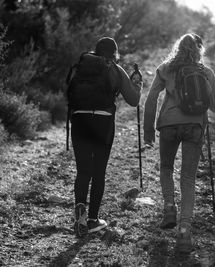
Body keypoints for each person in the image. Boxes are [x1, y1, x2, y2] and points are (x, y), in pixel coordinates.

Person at [143, 33, 215, 252]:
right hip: (194, 127)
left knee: (166, 168)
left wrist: (148, 130)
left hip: (168, 124)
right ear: (199, 50)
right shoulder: (206, 72)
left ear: (178, 47)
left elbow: (151, 100)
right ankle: (185, 232)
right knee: (188, 178)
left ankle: (169, 207)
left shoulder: (165, 68)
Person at [70, 37, 142, 236]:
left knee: (83, 171)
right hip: (103, 122)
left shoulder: (82, 67)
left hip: (79, 120)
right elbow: (134, 100)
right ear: (114, 54)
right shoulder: (116, 70)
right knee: (98, 171)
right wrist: (138, 84)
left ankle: (80, 214)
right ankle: (93, 220)